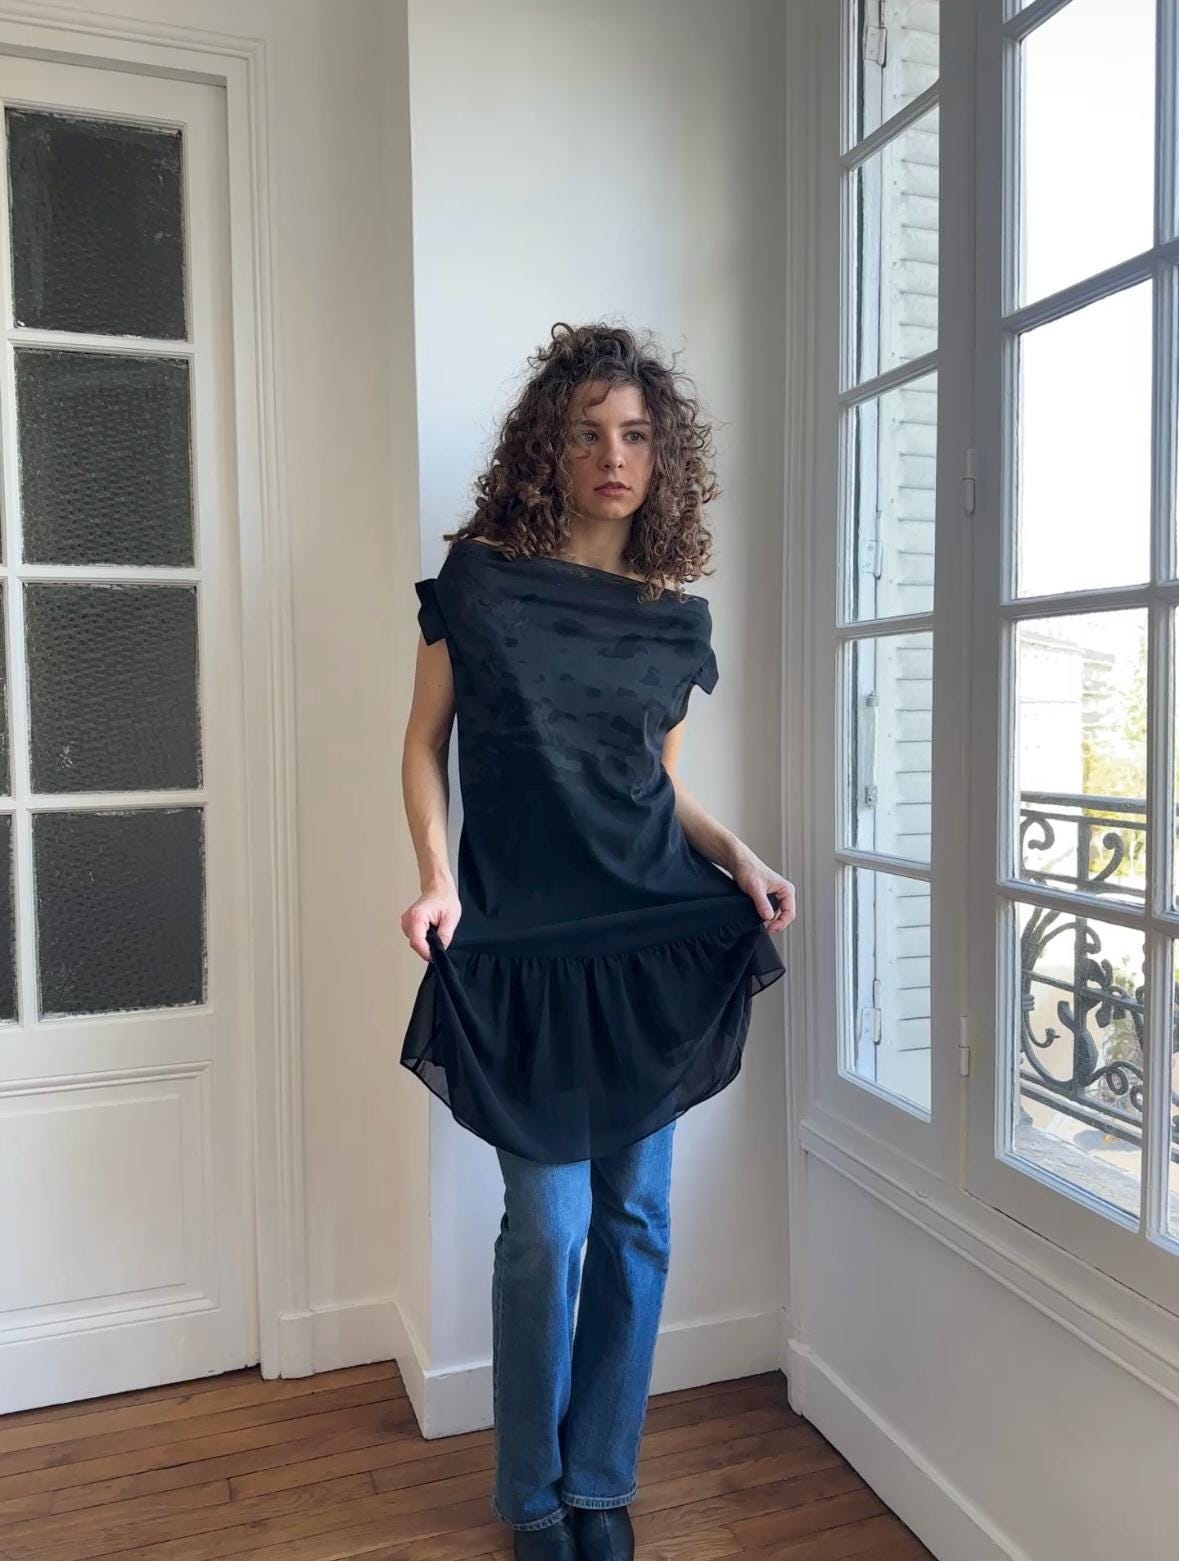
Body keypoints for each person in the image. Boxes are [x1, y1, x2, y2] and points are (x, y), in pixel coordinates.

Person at [399, 321, 795, 1560]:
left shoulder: (674, 619)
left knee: (637, 1220)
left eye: (634, 434)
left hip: (648, 935)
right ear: (549, 447)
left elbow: (655, 785)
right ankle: (529, 1497)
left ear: (663, 454)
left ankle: (599, 1484)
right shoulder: (477, 582)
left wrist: (740, 856)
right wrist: (435, 880)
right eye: (587, 433)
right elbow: (422, 745)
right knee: (548, 1228)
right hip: (521, 939)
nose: (613, 456)